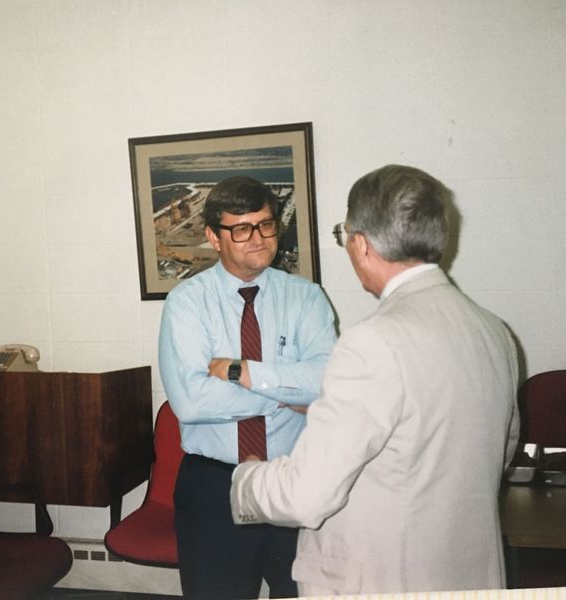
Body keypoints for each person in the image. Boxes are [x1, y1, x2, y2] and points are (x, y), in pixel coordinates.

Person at [230, 165, 520, 595]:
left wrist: (247, 481)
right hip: (468, 574)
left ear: (361, 243)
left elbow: (306, 496)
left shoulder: (372, 341)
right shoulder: (494, 331)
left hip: (383, 577)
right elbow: (501, 451)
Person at [159, 176, 336, 599]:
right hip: (214, 485)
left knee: (302, 594)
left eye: (265, 224)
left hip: (293, 477)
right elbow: (191, 401)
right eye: (240, 229)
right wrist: (286, 394)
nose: (256, 238)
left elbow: (328, 383)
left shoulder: (307, 298)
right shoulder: (186, 302)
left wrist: (242, 372)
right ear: (213, 237)